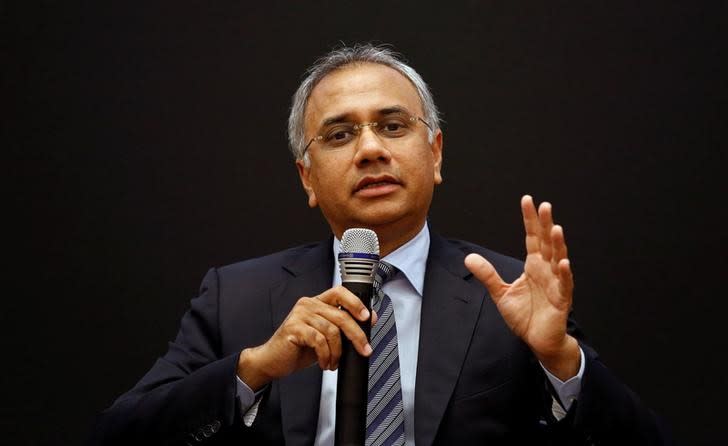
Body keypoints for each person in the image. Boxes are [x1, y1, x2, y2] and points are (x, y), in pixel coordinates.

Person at [91, 44, 670, 445]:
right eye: (340, 134)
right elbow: (118, 436)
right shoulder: (235, 297)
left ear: (435, 154)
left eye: (393, 126)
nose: (370, 149)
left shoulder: (515, 293)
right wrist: (255, 368)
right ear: (307, 179)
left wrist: (560, 361)